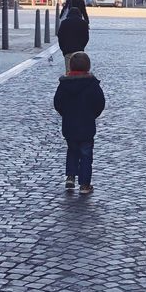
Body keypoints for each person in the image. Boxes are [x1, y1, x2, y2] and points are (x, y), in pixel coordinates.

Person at [54, 51, 106, 195]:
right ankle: (84, 184)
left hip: (69, 125)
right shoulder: (92, 84)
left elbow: (58, 102)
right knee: (86, 154)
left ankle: (70, 177)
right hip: (87, 125)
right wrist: (93, 115)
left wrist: (65, 114)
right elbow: (100, 103)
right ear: (88, 67)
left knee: (72, 150)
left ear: (70, 67)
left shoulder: (64, 85)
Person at [57, 0, 89, 73]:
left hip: (67, 49)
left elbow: (60, 36)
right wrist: (87, 21)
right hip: (79, 21)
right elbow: (86, 37)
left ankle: (68, 82)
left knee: (68, 70)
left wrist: (63, 49)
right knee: (78, 69)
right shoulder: (81, 0)